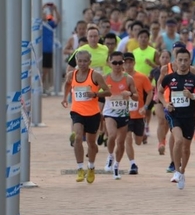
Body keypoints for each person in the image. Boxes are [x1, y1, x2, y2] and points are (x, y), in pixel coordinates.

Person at [159, 48, 195, 189]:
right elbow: (160, 93)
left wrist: (193, 97)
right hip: (174, 115)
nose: (183, 63)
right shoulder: (169, 78)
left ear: (189, 61)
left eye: (186, 60)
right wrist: (166, 104)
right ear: (175, 61)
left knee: (186, 148)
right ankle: (177, 171)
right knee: (178, 140)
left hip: (189, 117)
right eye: (180, 60)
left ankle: (182, 171)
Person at [61, 50, 111, 183]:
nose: (82, 63)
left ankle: (91, 167)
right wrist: (65, 98)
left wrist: (95, 95)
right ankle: (79, 169)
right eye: (80, 61)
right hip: (77, 111)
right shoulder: (72, 75)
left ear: (89, 62)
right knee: (77, 138)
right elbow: (67, 84)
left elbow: (108, 92)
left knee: (91, 143)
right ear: (76, 61)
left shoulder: (95, 75)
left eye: (85, 61)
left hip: (93, 113)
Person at [102, 51, 139, 180]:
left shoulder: (128, 78)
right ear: (109, 63)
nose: (118, 65)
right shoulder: (105, 78)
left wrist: (129, 94)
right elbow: (98, 94)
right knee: (112, 135)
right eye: (115, 63)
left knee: (121, 141)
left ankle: (117, 166)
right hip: (109, 112)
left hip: (123, 113)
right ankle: (110, 156)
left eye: (120, 62)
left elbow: (136, 97)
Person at [123, 52, 153, 175]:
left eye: (130, 62)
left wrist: (145, 107)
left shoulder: (141, 77)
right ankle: (132, 164)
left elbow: (150, 92)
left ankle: (142, 133)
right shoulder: (119, 78)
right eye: (126, 62)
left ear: (134, 63)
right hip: (125, 114)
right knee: (128, 138)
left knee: (138, 141)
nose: (128, 64)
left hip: (139, 114)